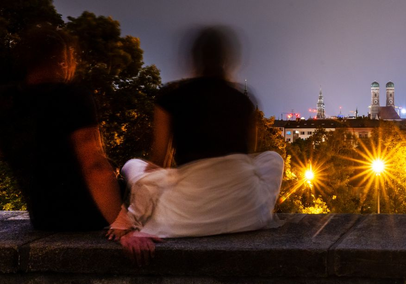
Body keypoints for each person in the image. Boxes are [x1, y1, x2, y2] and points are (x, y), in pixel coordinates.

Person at [0, 26, 156, 263]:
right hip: (90, 215)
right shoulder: (70, 97)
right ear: (62, 60)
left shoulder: (9, 101)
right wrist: (122, 223)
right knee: (136, 167)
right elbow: (92, 163)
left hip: (43, 219)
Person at [120, 26, 283, 238]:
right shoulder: (244, 101)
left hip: (186, 217)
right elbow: (248, 157)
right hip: (247, 213)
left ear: (193, 60)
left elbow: (159, 161)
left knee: (133, 166)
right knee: (273, 158)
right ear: (228, 60)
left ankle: (133, 216)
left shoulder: (171, 98)